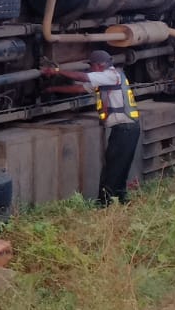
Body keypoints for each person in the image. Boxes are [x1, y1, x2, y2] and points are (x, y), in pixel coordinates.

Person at [42, 49, 141, 205]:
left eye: (92, 66)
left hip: (125, 129)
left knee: (114, 167)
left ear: (100, 65)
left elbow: (82, 77)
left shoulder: (111, 75)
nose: (90, 69)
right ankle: (119, 200)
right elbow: (80, 88)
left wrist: (57, 71)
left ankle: (106, 203)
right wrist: (53, 90)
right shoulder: (106, 79)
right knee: (118, 165)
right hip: (125, 129)